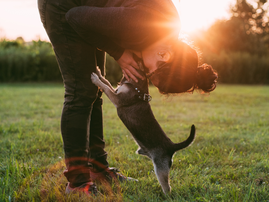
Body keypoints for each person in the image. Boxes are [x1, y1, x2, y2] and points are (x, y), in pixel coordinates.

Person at [38, 0, 217, 195]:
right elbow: (75, 16)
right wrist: (119, 52)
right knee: (81, 92)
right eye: (150, 71)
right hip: (63, 6)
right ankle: (78, 183)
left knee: (94, 90)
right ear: (164, 54)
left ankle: (98, 169)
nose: (145, 74)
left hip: (89, 11)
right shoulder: (144, 23)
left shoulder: (166, 30)